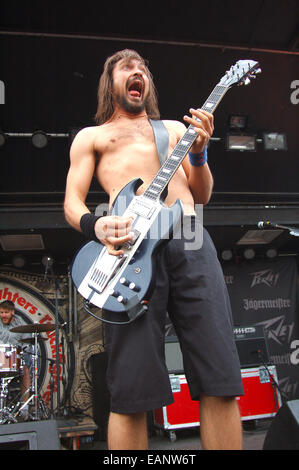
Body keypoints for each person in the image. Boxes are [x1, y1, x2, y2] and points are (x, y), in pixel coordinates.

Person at [64, 49, 244, 450]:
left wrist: (198, 153)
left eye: (143, 67)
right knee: (130, 390)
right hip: (129, 249)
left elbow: (201, 194)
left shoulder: (174, 131)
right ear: (110, 81)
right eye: (128, 67)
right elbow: (72, 202)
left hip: (189, 237)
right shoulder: (92, 137)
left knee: (220, 376)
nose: (138, 71)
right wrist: (96, 225)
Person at [0, 300, 31, 413]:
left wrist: (23, 355)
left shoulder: (21, 324)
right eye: (1, 312)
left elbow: (27, 344)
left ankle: (24, 408)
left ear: (12, 312)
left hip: (15, 359)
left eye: (6, 312)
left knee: (26, 370)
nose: (3, 315)